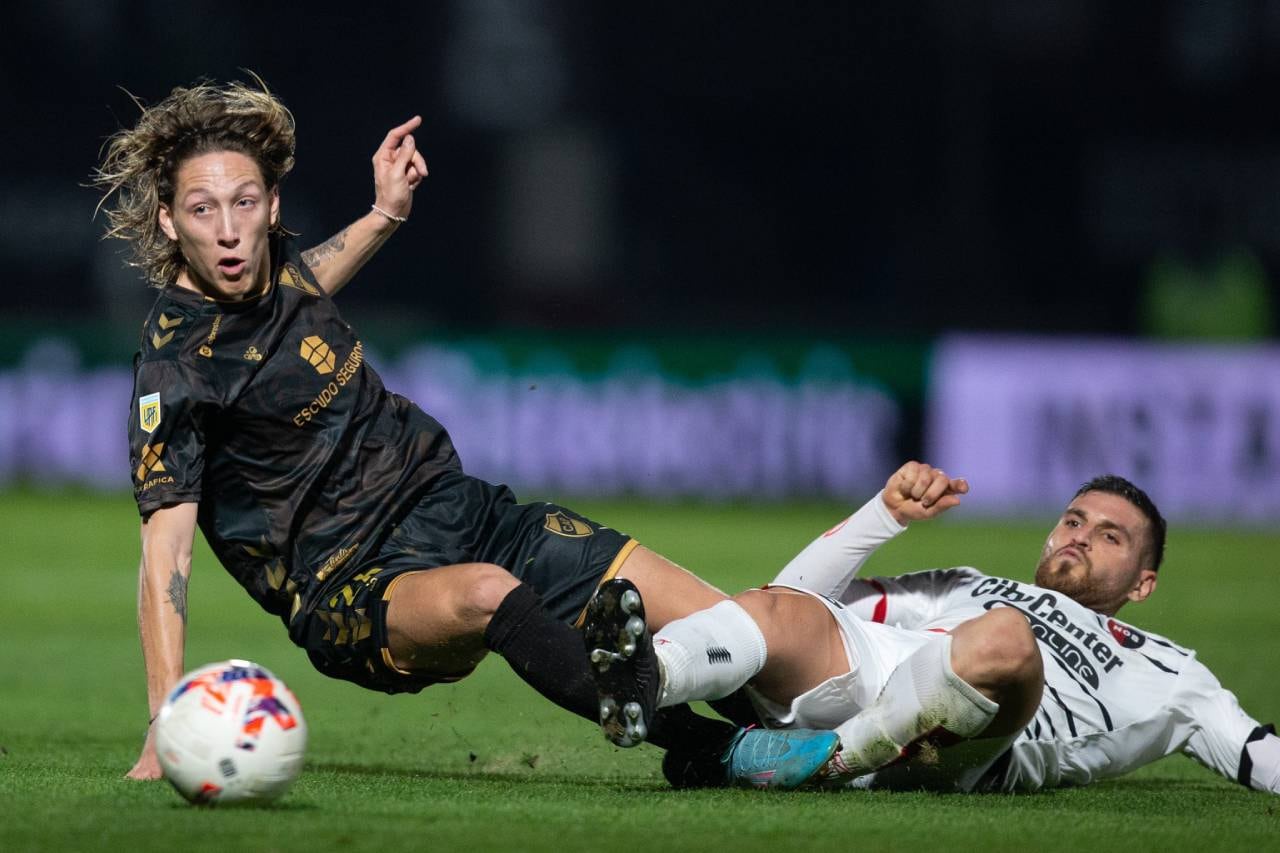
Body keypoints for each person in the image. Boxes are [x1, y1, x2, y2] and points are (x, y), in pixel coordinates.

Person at [93, 76, 837, 788]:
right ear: (168, 219)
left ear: (271, 202)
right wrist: (166, 719)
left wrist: (385, 213)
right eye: (202, 210)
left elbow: (304, 283)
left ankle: (859, 743)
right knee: (489, 593)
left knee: (721, 618)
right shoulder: (177, 369)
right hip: (357, 586)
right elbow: (168, 551)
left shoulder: (276, 269)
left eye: (243, 202)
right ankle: (711, 749)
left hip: (462, 509)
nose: (228, 231)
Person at [587, 462, 1280, 794]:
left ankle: (827, 759)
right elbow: (791, 598)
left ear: (1144, 582)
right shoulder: (972, 584)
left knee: (1006, 638)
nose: (1080, 537)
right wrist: (882, 515)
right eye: (1072, 520)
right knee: (777, 613)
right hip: (893, 679)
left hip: (983, 746)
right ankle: (651, 676)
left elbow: (1259, 757)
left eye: (1110, 535)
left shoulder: (1179, 675)